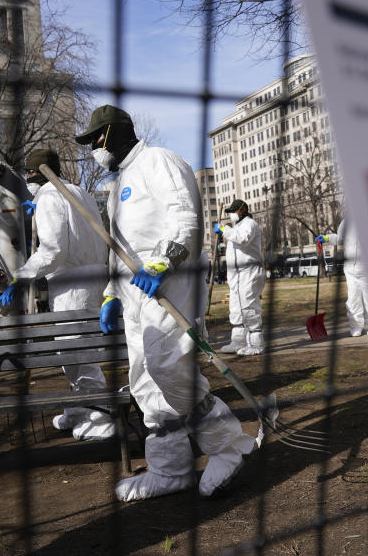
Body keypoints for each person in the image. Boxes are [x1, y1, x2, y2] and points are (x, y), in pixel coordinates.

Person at [76, 104, 256, 501]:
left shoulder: (160, 161)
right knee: (143, 381)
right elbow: (118, 247)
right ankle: (170, 469)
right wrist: (110, 293)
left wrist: (162, 261)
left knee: (168, 366)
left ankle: (229, 445)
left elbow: (184, 219)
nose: (92, 150)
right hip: (134, 295)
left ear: (113, 134)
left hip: (170, 284)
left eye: (93, 141)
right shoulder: (118, 185)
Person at [0, 149, 116, 441]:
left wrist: (20, 278)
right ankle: (79, 407)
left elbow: (53, 250)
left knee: (77, 351)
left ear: (34, 174)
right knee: (70, 351)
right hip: (90, 276)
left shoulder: (50, 197)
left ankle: (101, 413)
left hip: (72, 282)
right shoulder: (79, 192)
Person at [213, 199, 265, 356]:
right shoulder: (237, 227)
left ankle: (256, 344)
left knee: (248, 306)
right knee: (236, 308)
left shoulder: (249, 224)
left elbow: (243, 239)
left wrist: (224, 230)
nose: (231, 215)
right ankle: (238, 342)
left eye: (233, 211)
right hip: (236, 275)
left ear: (242, 210)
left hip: (249, 272)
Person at [317, 216, 368, 337]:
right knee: (353, 300)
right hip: (350, 270)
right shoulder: (345, 223)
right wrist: (327, 238)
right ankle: (356, 326)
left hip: (366, 269)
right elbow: (340, 239)